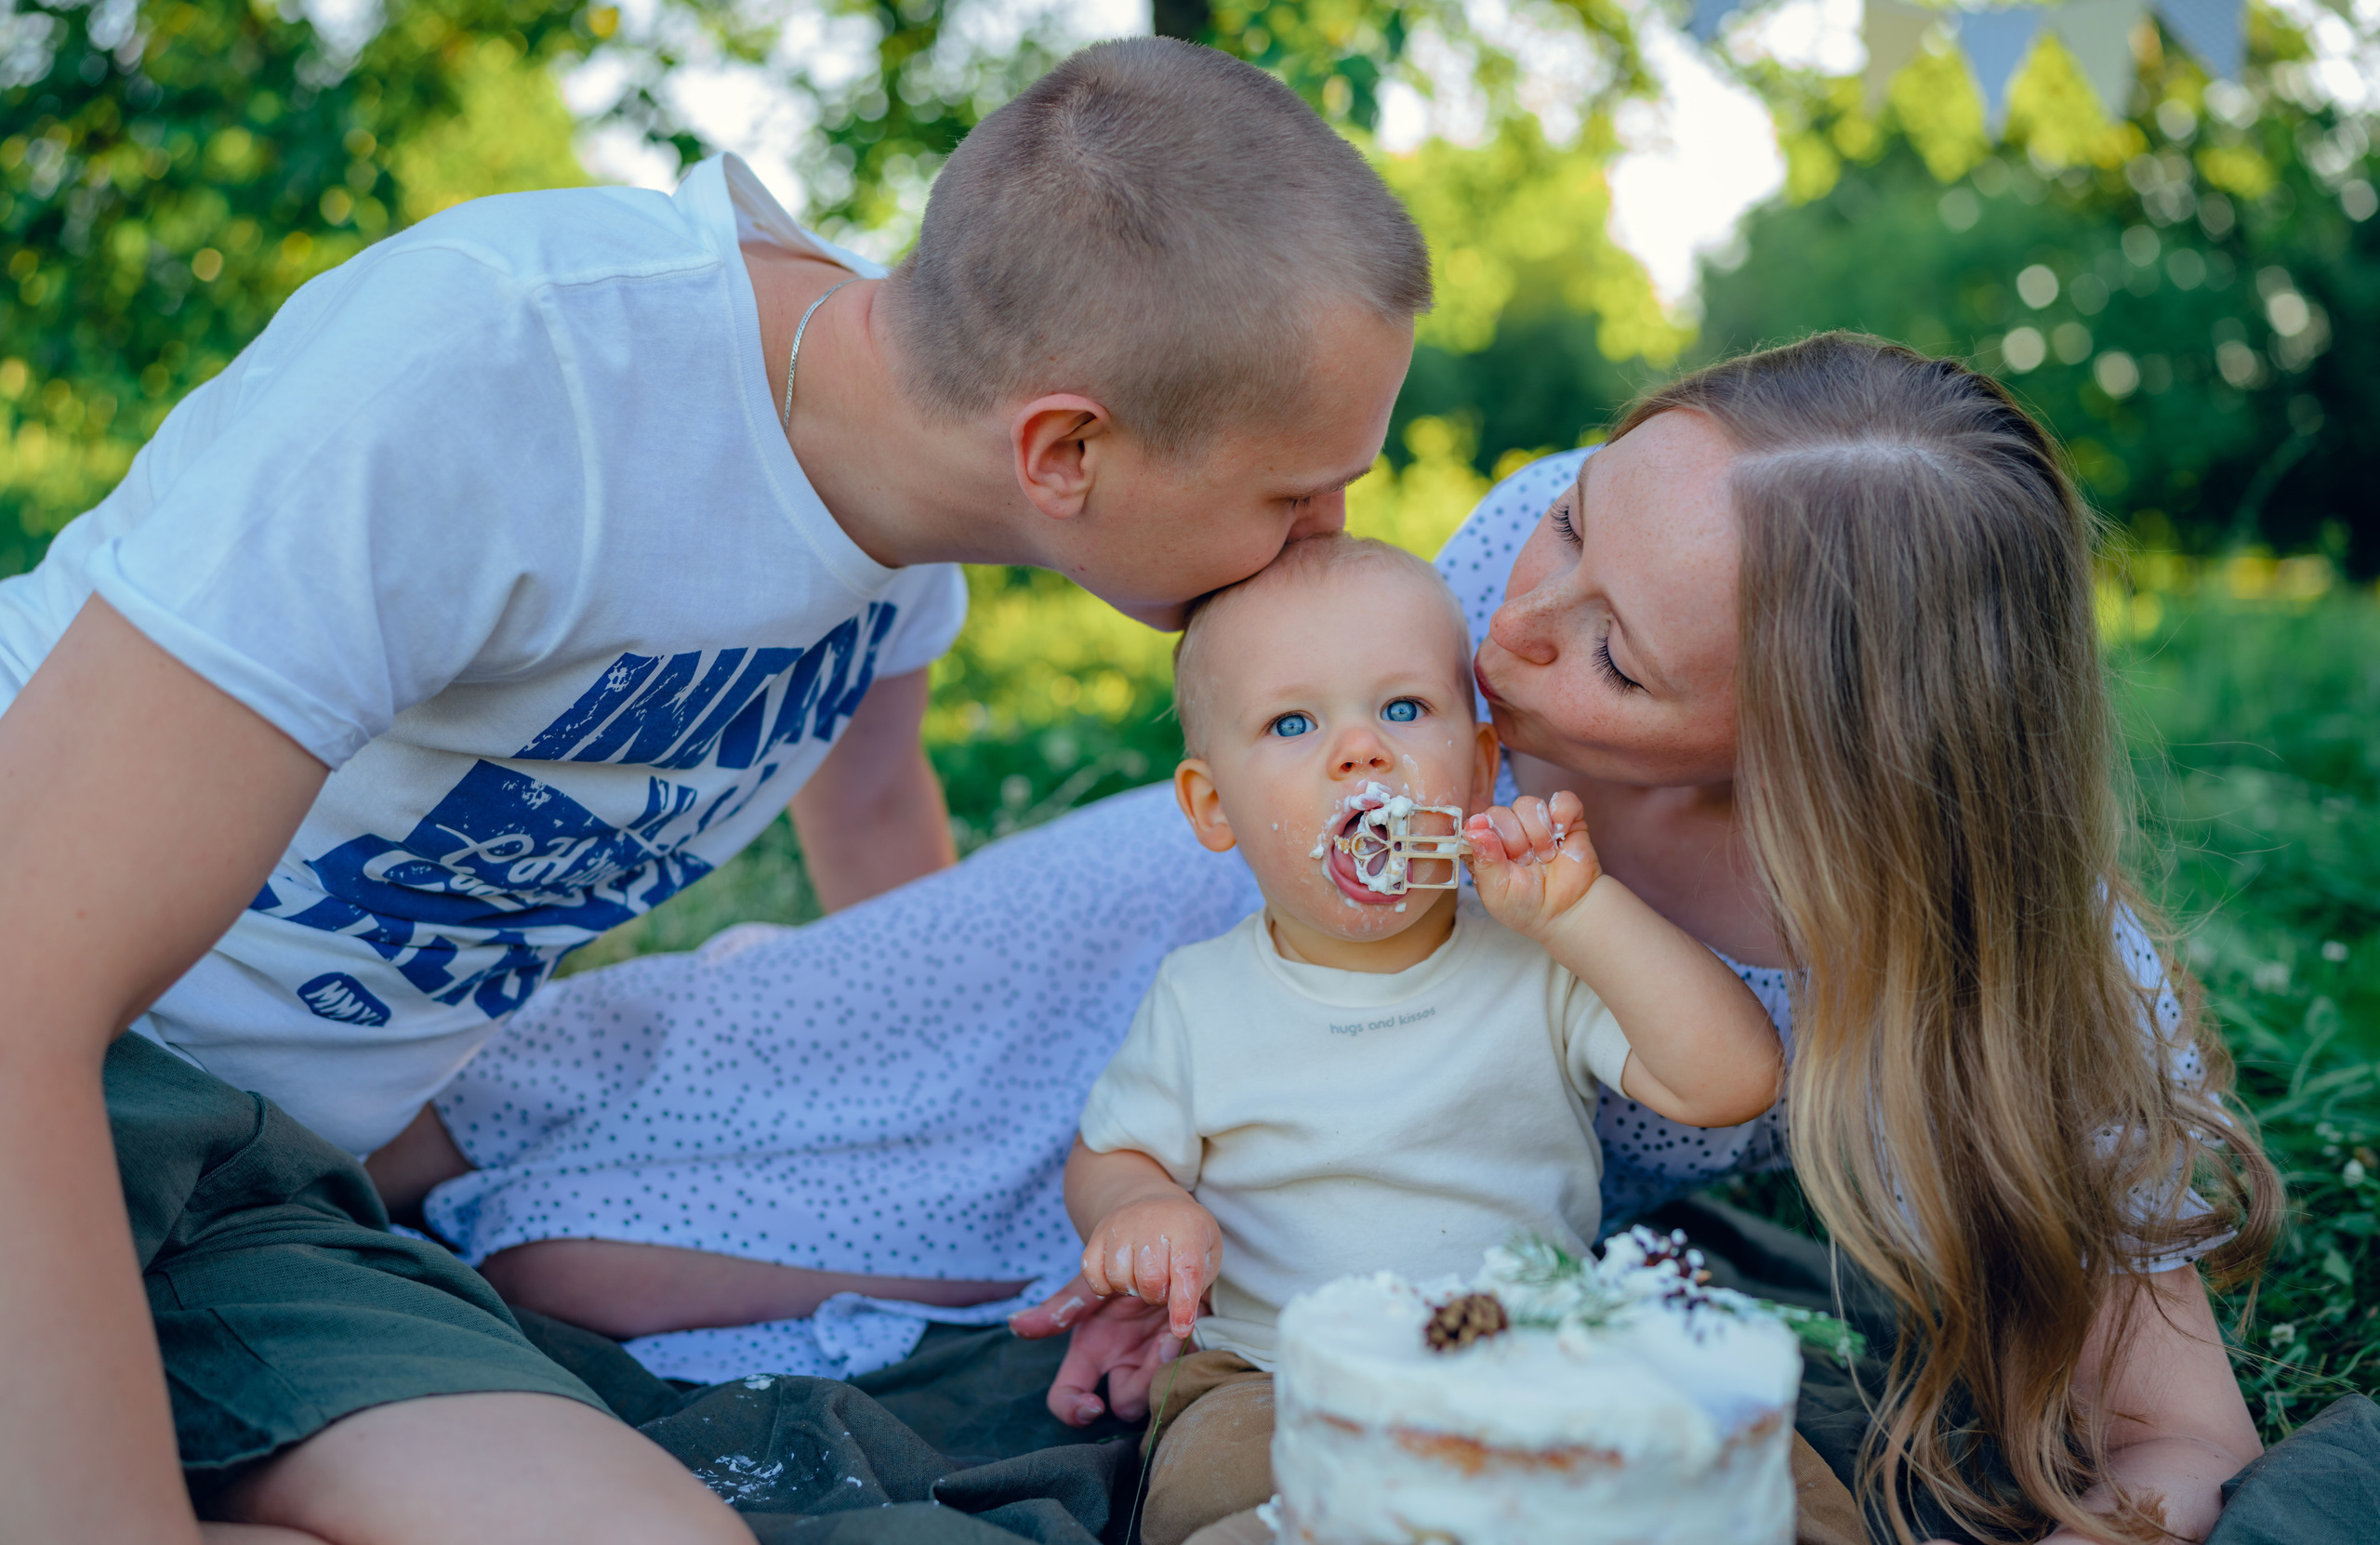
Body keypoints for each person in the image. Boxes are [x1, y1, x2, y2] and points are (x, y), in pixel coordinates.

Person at [421, 333, 2280, 1545]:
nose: (1511, 627)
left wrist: (2144, 1503)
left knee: (629, 1274)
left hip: (1386, 1178)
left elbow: (2174, 1419)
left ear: (1814, 759)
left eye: (1613, 653)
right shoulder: (1519, 575)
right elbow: (1278, 681)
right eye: (1570, 519)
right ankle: (350, 1133)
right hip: (1203, 928)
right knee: (627, 1143)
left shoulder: (2002, 960)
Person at [0, 37, 1431, 1541]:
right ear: (1064, 447)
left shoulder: (909, 501)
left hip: (260, 1182)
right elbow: (24, 986)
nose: (1332, 534)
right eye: (1297, 492)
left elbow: (878, 840)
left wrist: (972, 1171)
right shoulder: (506, 374)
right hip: (66, 1058)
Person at [1063, 534, 1784, 1543]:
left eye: (1403, 708)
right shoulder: (1200, 998)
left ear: (1481, 771)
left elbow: (1734, 1079)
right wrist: (1139, 1203)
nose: (1361, 749)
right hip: (1278, 1372)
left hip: (1536, 1353)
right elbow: (1112, 1150)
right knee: (1218, 1490)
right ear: (1213, 804)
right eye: (1292, 722)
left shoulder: (1537, 962)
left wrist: (1581, 916)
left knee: (1732, 1460)